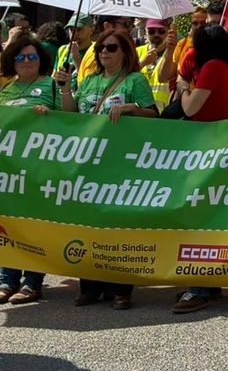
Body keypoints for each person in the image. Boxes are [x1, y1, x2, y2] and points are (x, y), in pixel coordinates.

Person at [63, 28, 158, 309]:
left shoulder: (135, 80)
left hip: (121, 162)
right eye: (101, 48)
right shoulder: (89, 81)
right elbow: (70, 115)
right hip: (89, 161)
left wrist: (132, 109)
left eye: (112, 47)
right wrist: (66, 88)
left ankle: (120, 288)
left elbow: (154, 115)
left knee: (118, 224)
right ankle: (90, 286)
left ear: (125, 52)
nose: (104, 52)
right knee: (88, 223)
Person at [0, 34, 64, 306]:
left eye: (32, 56)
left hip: (39, 167)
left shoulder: (51, 85)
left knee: (34, 225)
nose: (26, 61)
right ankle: (7, 281)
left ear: (41, 59)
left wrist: (51, 114)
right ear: (12, 61)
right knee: (8, 224)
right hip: (8, 169)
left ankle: (32, 282)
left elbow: (70, 118)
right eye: (21, 57)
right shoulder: (8, 89)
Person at [170, 24, 228, 314]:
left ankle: (199, 288)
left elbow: (190, 108)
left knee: (199, 219)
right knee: (210, 219)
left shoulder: (212, 68)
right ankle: (208, 282)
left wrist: (184, 89)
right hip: (218, 148)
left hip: (211, 150)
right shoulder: (227, 67)